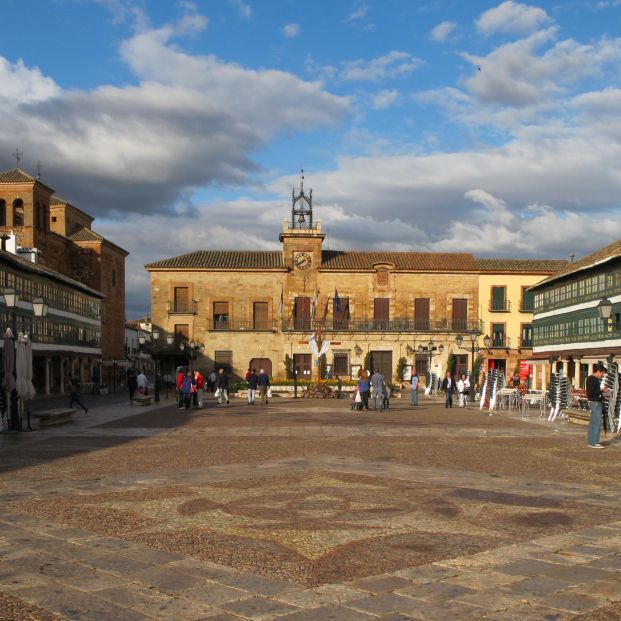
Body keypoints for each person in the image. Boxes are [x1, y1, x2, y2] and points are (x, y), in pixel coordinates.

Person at [586, 363, 609, 448]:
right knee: (597, 423)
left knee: (593, 423)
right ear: (599, 371)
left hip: (593, 402)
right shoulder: (593, 379)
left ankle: (591, 442)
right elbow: (591, 393)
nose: (602, 375)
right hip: (595, 403)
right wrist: (602, 391)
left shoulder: (590, 378)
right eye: (602, 373)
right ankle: (595, 442)